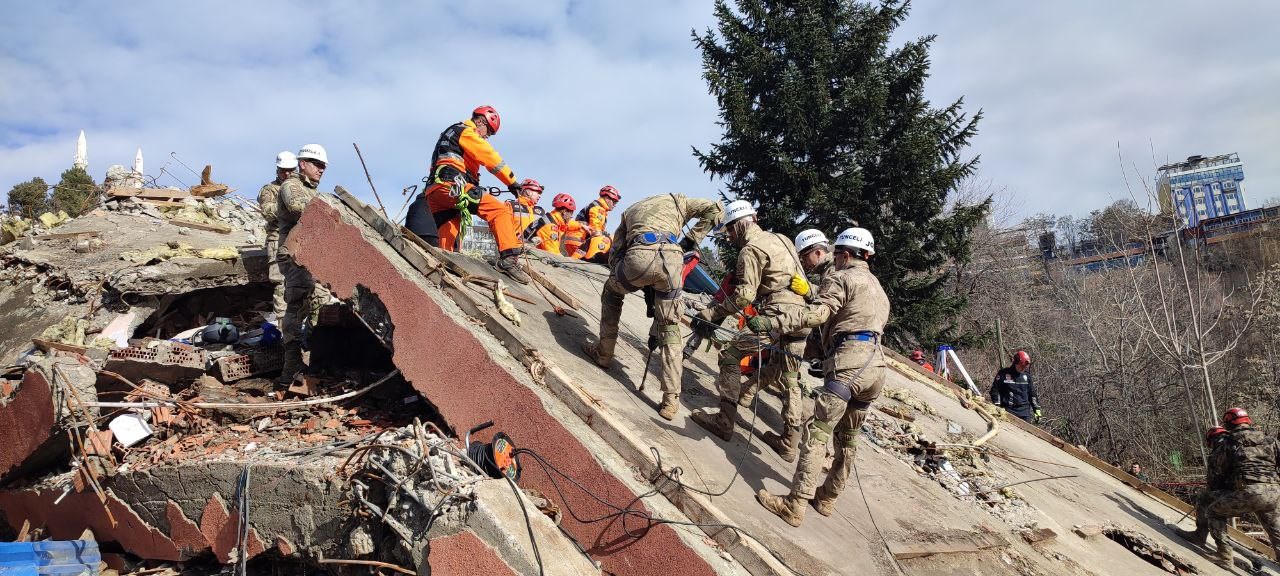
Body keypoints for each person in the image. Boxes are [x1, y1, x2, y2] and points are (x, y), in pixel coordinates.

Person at [755, 227, 890, 527]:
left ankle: (795, 504)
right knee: (849, 440)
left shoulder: (841, 277)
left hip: (849, 366)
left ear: (843, 255)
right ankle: (827, 498)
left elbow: (818, 316)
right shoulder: (877, 287)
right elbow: (854, 326)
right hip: (876, 369)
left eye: (836, 255)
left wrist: (773, 322)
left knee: (818, 434)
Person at [581, 193, 723, 421]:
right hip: (672, 262)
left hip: (640, 254)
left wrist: (623, 272)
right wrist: (688, 241)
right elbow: (717, 209)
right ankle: (671, 400)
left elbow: (616, 251)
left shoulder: (630, 211)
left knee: (612, 291)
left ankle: (604, 353)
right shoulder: (680, 201)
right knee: (670, 328)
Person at [690, 201, 812, 462]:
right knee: (789, 377)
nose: (730, 238)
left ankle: (724, 421)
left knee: (732, 355)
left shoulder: (750, 250)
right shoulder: (783, 239)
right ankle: (790, 442)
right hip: (800, 318)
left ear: (740, 224)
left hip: (775, 316)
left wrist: (712, 314)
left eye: (730, 231)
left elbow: (744, 296)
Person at [416, 105, 530, 283]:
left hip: (435, 192)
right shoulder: (467, 132)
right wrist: (512, 182)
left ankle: (443, 272)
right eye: (488, 133)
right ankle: (509, 260)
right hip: (453, 188)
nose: (486, 137)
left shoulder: (451, 133)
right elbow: (490, 157)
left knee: (448, 241)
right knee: (500, 211)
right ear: (481, 122)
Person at [1195, 408, 1280, 567]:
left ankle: (1224, 556)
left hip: (1249, 492)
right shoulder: (1271, 440)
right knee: (1277, 536)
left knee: (1213, 511)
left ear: (1228, 424)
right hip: (1274, 492)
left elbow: (1216, 476)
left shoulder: (1228, 442)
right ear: (1248, 421)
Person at [275, 144, 331, 385]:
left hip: (310, 256)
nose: (321, 170)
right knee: (296, 305)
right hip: (295, 255)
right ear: (303, 164)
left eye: (323, 167)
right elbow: (300, 209)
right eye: (317, 165)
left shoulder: (314, 192)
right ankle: (291, 368)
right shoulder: (292, 186)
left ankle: (314, 359)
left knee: (319, 303)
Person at [257, 151, 297, 322]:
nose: (287, 174)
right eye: (283, 170)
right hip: (277, 240)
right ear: (277, 170)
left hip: (297, 240)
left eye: (290, 170)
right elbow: (266, 211)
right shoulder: (270, 189)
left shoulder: (299, 188)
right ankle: (283, 334)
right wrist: (286, 205)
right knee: (282, 285)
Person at [1177, 426, 1231, 554]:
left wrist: (1211, 488)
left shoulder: (1219, 451)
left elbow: (1214, 479)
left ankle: (1202, 537)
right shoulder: (1236, 446)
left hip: (1234, 492)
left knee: (1206, 502)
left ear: (1212, 440)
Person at [523, 193, 588, 256]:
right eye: (571, 213)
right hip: (524, 256)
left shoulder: (551, 218)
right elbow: (553, 255)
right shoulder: (550, 227)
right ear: (564, 211)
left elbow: (569, 224)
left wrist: (582, 226)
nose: (571, 217)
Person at [566, 185, 621, 260]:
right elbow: (596, 232)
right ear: (607, 198)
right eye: (614, 201)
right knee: (606, 240)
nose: (615, 205)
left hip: (574, 240)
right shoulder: (598, 209)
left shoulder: (596, 206)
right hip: (580, 241)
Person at [989, 350, 1041, 423]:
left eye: (1025, 367)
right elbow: (995, 390)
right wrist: (997, 405)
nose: (1023, 368)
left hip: (1024, 413)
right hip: (1008, 410)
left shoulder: (1027, 376)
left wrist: (1037, 409)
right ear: (1015, 362)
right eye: (1022, 366)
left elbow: (1032, 394)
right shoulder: (1003, 373)